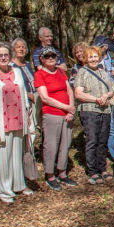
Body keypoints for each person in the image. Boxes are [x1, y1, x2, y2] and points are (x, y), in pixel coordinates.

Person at [0, 41, 34, 203]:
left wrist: (27, 116)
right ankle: (3, 189)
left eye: (6, 54)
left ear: (10, 56)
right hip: (1, 121)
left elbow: (24, 96)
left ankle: (19, 184)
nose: (3, 58)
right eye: (0, 55)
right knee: (4, 155)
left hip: (18, 119)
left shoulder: (17, 71)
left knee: (17, 153)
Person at [74, 46, 114, 185]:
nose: (93, 59)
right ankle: (93, 171)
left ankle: (102, 168)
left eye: (95, 56)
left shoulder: (103, 72)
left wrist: (106, 95)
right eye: (90, 57)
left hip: (105, 110)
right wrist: (96, 99)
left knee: (103, 140)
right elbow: (78, 94)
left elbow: (111, 90)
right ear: (85, 59)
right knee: (92, 140)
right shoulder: (82, 72)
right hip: (90, 110)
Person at [34, 46, 76, 191]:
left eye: (53, 56)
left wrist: (71, 108)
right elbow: (45, 97)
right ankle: (50, 175)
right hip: (52, 114)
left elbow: (69, 90)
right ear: (42, 59)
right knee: (51, 145)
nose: (51, 58)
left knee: (66, 143)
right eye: (47, 56)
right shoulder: (40, 74)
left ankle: (62, 173)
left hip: (67, 114)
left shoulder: (60, 71)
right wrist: (66, 108)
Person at [94, 35, 114, 166]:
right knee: (110, 125)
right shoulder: (94, 58)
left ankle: (113, 151)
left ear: (105, 47)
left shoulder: (113, 57)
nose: (97, 49)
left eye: (99, 47)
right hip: (100, 95)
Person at [10, 38, 36, 104]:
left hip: (34, 98)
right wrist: (29, 95)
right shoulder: (11, 66)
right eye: (18, 47)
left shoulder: (27, 64)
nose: (21, 49)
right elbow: (13, 86)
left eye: (23, 47)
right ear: (13, 50)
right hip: (22, 99)